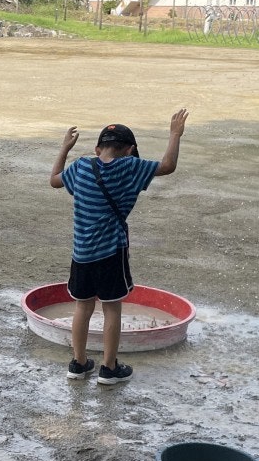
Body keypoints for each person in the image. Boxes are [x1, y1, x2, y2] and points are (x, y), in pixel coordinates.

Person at [50, 111, 188, 384]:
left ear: (97, 148)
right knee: (111, 309)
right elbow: (168, 165)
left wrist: (65, 148)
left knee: (82, 307)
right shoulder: (130, 167)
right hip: (111, 253)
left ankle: (78, 364)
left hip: (82, 253)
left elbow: (54, 178)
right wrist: (175, 134)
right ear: (129, 150)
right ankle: (109, 368)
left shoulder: (80, 167)